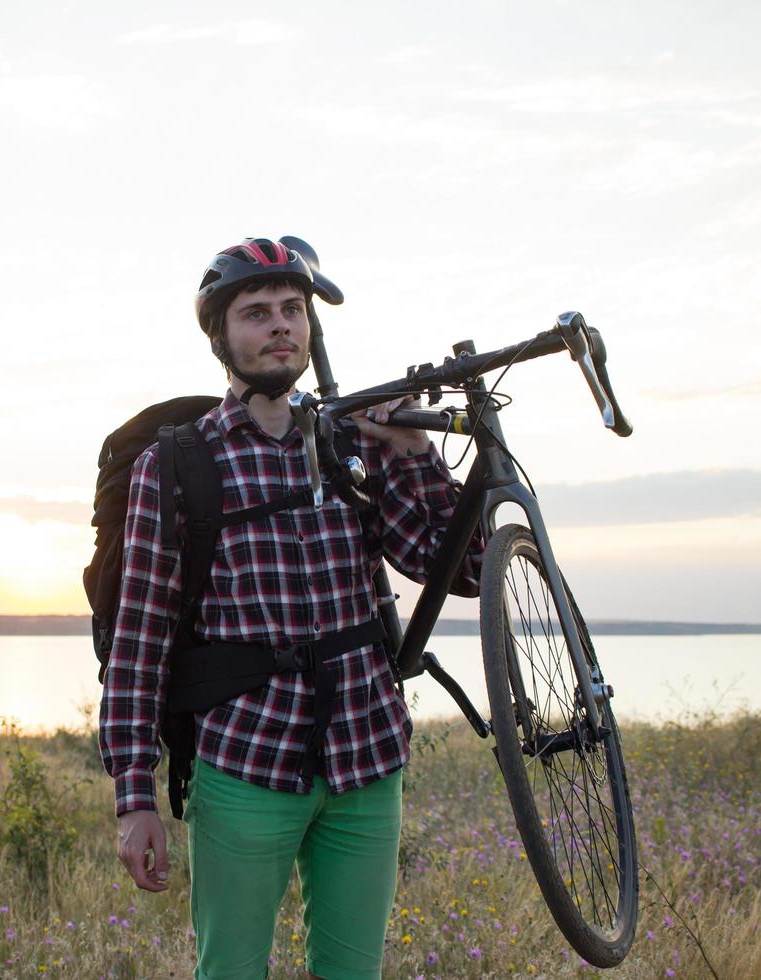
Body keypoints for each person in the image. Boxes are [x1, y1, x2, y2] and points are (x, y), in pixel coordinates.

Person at [99, 238, 482, 980]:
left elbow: (457, 570)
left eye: (292, 310)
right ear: (221, 337)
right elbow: (140, 637)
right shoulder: (178, 462)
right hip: (246, 762)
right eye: (256, 313)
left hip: (366, 760)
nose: (279, 326)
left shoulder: (350, 441)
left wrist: (411, 452)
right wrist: (133, 796)